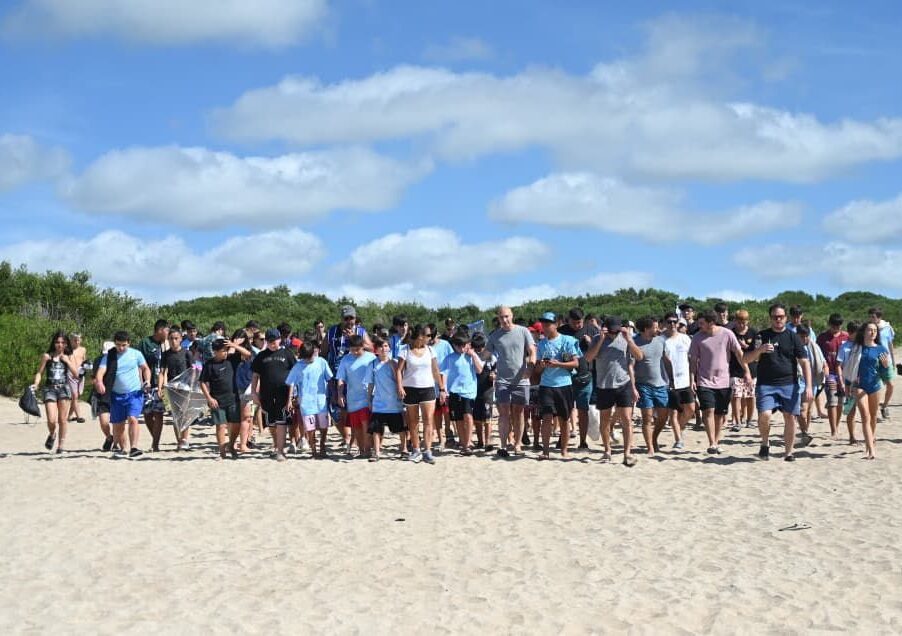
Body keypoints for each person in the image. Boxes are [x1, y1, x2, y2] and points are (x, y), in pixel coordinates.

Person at [744, 303, 812, 462]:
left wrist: (808, 385)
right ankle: (765, 442)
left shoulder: (793, 337)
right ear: (770, 318)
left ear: (785, 318)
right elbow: (746, 359)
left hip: (789, 383)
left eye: (781, 317)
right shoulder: (761, 335)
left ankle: (788, 452)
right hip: (766, 384)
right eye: (775, 317)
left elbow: (804, 362)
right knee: (765, 415)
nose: (778, 319)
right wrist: (759, 350)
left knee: (790, 417)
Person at [690, 310, 751, 455]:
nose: (699, 326)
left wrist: (747, 371)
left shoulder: (727, 334)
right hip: (704, 381)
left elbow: (738, 353)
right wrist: (692, 379)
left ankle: (716, 441)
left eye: (702, 323)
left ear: (711, 323)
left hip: (724, 381)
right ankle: (711, 443)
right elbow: (693, 360)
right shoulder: (697, 338)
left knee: (720, 415)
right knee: (708, 410)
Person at [585, 316, 644, 464]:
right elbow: (588, 358)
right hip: (604, 385)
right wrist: (600, 340)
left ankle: (627, 453)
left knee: (626, 419)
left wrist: (629, 340)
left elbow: (640, 356)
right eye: (611, 331)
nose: (614, 334)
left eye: (616, 330)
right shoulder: (598, 338)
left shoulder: (626, 337)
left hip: (623, 383)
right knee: (605, 419)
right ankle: (607, 451)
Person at [486, 306, 536, 458]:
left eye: (507, 316)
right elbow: (486, 354)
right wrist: (472, 353)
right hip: (502, 380)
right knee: (503, 413)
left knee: (519, 413)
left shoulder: (523, 331)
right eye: (501, 317)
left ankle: (518, 443)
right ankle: (503, 445)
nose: (504, 320)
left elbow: (532, 350)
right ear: (498, 318)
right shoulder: (495, 335)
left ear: (512, 315)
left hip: (521, 379)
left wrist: (531, 365)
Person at [95, 331, 151, 459]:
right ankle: (124, 448)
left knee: (133, 419)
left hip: (134, 393)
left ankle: (134, 448)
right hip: (116, 395)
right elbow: (100, 372)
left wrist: (147, 380)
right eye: (118, 345)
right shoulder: (109, 356)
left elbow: (145, 368)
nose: (121, 348)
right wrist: (99, 382)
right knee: (118, 425)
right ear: (115, 343)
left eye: (124, 345)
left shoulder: (136, 354)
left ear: (129, 343)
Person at [323, 305, 372, 450]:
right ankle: (347, 437)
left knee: (355, 409)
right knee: (337, 410)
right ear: (341, 319)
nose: (349, 321)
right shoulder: (332, 332)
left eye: (352, 318)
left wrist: (354, 339)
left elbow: (371, 348)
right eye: (346, 318)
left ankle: (354, 441)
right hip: (335, 375)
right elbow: (324, 352)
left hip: (356, 376)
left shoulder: (361, 331)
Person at [396, 324, 446, 464]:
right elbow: (399, 370)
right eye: (427, 336)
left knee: (428, 420)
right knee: (413, 422)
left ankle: (427, 451)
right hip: (410, 388)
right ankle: (416, 450)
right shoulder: (405, 350)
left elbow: (436, 370)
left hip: (428, 388)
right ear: (420, 336)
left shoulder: (430, 350)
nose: (429, 338)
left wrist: (442, 388)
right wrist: (399, 386)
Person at [841, 322, 891, 460]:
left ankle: (870, 442)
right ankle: (871, 450)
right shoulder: (857, 348)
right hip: (859, 386)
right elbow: (849, 369)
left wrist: (886, 366)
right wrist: (847, 386)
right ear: (864, 332)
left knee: (873, 417)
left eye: (875, 330)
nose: (873, 332)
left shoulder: (881, 349)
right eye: (870, 330)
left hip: (875, 385)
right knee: (865, 417)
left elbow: (884, 373)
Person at [534, 312, 580, 460]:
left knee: (564, 419)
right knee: (546, 418)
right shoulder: (541, 344)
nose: (545, 327)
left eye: (548, 324)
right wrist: (541, 365)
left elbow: (575, 363)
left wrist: (557, 363)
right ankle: (546, 451)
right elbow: (537, 370)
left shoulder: (567, 340)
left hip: (564, 384)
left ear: (556, 324)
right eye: (543, 325)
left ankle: (564, 450)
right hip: (546, 385)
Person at [251, 328, 297, 461]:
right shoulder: (261, 356)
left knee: (282, 421)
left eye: (275, 341)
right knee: (271, 423)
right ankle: (276, 444)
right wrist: (254, 392)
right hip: (266, 394)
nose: (273, 344)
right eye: (270, 341)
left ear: (279, 339)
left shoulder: (287, 353)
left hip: (283, 392)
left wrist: (291, 397)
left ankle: (281, 451)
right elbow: (255, 375)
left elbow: (294, 374)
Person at [559, 307, 601, 448]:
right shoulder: (562, 331)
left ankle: (583, 441)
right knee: (565, 409)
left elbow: (599, 352)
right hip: (565, 375)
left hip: (585, 374)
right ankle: (562, 438)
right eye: (575, 322)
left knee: (583, 409)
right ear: (568, 320)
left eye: (580, 322)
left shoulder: (591, 329)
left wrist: (590, 344)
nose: (578, 325)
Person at [33, 331, 79, 453]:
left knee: (62, 420)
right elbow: (39, 372)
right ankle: (52, 434)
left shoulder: (68, 356)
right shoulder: (47, 356)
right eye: (57, 342)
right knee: (51, 419)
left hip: (64, 389)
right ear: (54, 343)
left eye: (62, 342)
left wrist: (68, 361)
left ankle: (61, 445)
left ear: (66, 344)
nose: (60, 345)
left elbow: (76, 374)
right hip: (50, 389)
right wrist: (36, 384)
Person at [285, 341, 332, 458]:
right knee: (310, 427)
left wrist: (332, 395)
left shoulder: (321, 362)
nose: (308, 360)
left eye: (309, 357)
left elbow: (330, 378)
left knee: (324, 425)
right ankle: (314, 449)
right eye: (305, 358)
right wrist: (289, 399)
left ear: (314, 353)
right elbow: (291, 383)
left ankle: (322, 445)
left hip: (321, 400)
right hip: (306, 401)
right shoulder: (298, 366)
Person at [440, 330, 484, 455]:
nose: (461, 348)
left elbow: (480, 370)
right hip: (454, 392)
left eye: (464, 345)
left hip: (468, 392)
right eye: (458, 345)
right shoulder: (449, 358)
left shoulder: (471, 356)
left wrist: (473, 355)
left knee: (468, 416)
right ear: (454, 345)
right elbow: (443, 373)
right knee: (458, 419)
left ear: (468, 344)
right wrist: (443, 390)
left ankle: (468, 442)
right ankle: (463, 442)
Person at [633, 316, 670, 457]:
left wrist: (671, 379)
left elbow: (666, 361)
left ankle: (654, 438)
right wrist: (633, 386)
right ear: (645, 329)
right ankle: (650, 447)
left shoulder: (661, 341)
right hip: (643, 385)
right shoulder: (635, 343)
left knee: (663, 416)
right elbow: (630, 366)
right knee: (647, 417)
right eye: (655, 327)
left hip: (661, 384)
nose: (658, 329)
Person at [199, 339, 242, 459]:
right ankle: (222, 452)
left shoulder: (231, 360)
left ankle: (231, 445)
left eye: (226, 350)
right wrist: (209, 398)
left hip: (233, 398)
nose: (225, 353)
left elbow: (248, 354)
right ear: (215, 351)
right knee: (220, 425)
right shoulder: (209, 364)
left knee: (236, 424)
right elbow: (202, 382)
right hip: (217, 400)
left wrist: (234, 345)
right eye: (223, 351)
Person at [365, 337, 406, 461]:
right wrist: (369, 400)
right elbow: (370, 384)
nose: (384, 349)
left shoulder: (394, 363)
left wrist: (393, 366)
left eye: (386, 346)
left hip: (394, 402)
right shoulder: (372, 364)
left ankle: (404, 449)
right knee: (376, 428)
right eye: (381, 346)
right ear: (376, 349)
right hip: (379, 402)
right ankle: (377, 452)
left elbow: (399, 380)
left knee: (401, 428)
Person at [336, 334, 377, 458]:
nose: (354, 352)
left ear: (363, 346)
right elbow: (340, 379)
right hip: (352, 398)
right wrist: (339, 395)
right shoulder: (346, 359)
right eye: (352, 349)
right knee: (356, 426)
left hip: (368, 397)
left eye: (357, 349)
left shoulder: (371, 358)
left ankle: (368, 449)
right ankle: (361, 450)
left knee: (366, 423)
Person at [135, 319, 169, 452]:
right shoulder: (145, 343)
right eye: (166, 330)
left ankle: (155, 443)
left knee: (159, 413)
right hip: (147, 384)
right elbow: (139, 364)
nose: (168, 333)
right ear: (160, 330)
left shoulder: (166, 344)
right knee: (148, 414)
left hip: (161, 383)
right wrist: (140, 381)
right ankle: (154, 439)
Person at [159, 327, 195, 451]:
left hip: (185, 388)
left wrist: (192, 387)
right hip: (172, 388)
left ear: (180, 339)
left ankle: (184, 439)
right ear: (168, 340)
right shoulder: (166, 354)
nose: (173, 341)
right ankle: (179, 440)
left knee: (184, 413)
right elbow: (162, 372)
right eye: (171, 339)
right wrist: (161, 388)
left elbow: (193, 371)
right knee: (175, 415)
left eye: (176, 338)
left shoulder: (187, 353)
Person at [662, 313, 692, 449]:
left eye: (676, 322)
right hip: (669, 381)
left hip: (685, 380)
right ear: (665, 323)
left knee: (690, 409)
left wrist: (693, 378)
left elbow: (692, 359)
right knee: (673, 412)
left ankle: (679, 428)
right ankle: (678, 439)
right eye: (669, 322)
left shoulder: (685, 339)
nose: (673, 324)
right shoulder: (661, 340)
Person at [817, 314, 849, 440]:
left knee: (840, 402)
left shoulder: (846, 337)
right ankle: (833, 430)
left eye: (838, 325)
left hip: (843, 373)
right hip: (829, 372)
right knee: (832, 400)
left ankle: (836, 425)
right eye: (833, 325)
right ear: (829, 324)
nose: (836, 328)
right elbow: (818, 354)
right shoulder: (822, 337)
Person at [797, 325, 827, 444]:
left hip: (813, 380)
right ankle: (804, 432)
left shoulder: (814, 346)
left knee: (809, 409)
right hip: (799, 380)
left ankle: (805, 432)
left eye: (806, 336)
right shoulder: (794, 347)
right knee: (802, 409)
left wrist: (825, 369)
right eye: (801, 336)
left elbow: (822, 360)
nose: (804, 339)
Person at [729, 310, 758, 432]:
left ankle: (750, 420)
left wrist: (746, 347)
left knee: (750, 396)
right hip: (735, 369)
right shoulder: (731, 333)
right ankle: (737, 422)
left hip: (752, 369)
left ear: (748, 321)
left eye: (744, 322)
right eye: (739, 321)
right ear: (735, 321)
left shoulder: (754, 333)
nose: (741, 324)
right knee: (736, 395)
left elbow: (758, 351)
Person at [471, 331, 497, 451]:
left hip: (487, 390)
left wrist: (494, 375)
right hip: (473, 390)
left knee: (487, 418)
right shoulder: (470, 356)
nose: (479, 349)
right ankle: (480, 441)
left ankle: (488, 442)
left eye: (481, 346)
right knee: (476, 418)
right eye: (476, 347)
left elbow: (496, 370)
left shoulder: (490, 356)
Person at [869, 307, 895, 421]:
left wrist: (893, 361)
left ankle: (884, 406)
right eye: (870, 316)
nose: (871, 318)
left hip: (885, 358)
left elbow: (890, 344)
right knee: (877, 386)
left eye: (873, 316)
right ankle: (874, 413)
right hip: (873, 359)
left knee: (890, 384)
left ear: (879, 317)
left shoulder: (887, 328)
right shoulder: (869, 328)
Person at [90, 341, 115, 451]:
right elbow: (94, 377)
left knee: (117, 422)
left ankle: (117, 443)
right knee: (104, 422)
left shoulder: (120, 361)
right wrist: (97, 385)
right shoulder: (98, 361)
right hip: (103, 395)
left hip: (116, 394)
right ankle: (109, 437)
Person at [66, 332, 87, 424]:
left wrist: (86, 367)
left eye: (78, 340)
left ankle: (69, 416)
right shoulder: (67, 350)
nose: (77, 342)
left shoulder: (83, 349)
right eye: (75, 340)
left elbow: (84, 361)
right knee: (75, 395)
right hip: (70, 374)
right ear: (71, 340)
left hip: (80, 374)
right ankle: (79, 416)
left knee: (77, 395)